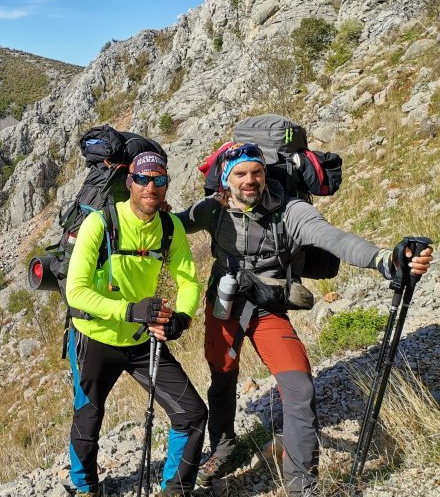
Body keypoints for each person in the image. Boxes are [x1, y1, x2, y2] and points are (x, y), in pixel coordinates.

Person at [174, 142, 434, 496]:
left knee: (299, 390)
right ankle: (223, 446)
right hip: (225, 305)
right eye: (240, 174)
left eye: (257, 172)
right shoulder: (211, 210)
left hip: (268, 308)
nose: (250, 180)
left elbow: (333, 239)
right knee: (222, 377)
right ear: (225, 180)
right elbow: (170, 228)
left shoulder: (290, 210)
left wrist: (385, 260)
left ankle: (300, 485)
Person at [65, 151, 207, 497]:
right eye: (143, 179)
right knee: (88, 417)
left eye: (158, 180)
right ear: (130, 182)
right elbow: (76, 292)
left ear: (165, 185)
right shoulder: (100, 224)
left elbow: (188, 281)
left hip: (142, 340)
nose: (150, 187)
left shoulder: (170, 227)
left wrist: (182, 318)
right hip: (94, 337)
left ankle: (175, 489)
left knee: (191, 413)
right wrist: (130, 310)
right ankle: (85, 488)